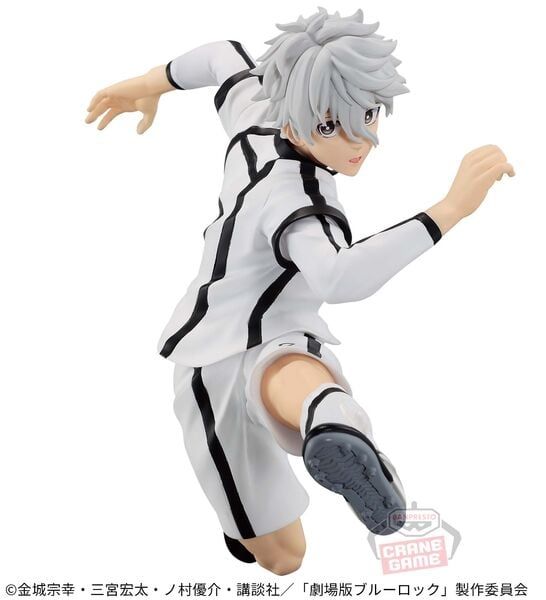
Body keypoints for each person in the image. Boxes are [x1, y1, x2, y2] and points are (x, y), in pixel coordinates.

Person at [85, 8, 514, 575]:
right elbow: (338, 278)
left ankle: (333, 425)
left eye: (368, 114)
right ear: (299, 114)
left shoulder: (258, 112)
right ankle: (322, 430)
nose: (359, 140)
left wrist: (148, 84)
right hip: (210, 360)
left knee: (290, 362)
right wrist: (450, 210)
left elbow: (221, 56)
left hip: (278, 330)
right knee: (284, 558)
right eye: (331, 126)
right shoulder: (297, 201)